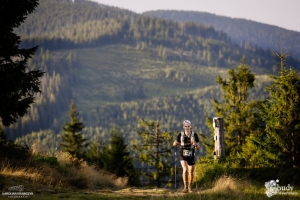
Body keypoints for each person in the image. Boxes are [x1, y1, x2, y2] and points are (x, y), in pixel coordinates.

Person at [173, 120, 200, 193]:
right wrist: (175, 144)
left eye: (188, 126)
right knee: (185, 169)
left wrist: (196, 145)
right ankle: (185, 187)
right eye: (186, 126)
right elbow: (176, 143)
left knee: (191, 172)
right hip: (183, 154)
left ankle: (190, 187)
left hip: (191, 154)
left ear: (190, 126)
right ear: (183, 127)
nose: (187, 128)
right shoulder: (180, 135)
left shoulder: (194, 135)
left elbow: (198, 147)